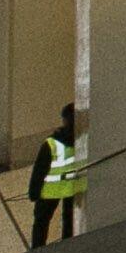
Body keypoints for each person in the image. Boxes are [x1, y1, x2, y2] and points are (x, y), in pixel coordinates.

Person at [27, 102, 89, 244]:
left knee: (41, 223)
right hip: (74, 188)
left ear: (65, 120)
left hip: (50, 190)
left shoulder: (52, 144)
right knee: (69, 222)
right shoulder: (85, 140)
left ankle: (38, 250)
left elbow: (39, 171)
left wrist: (33, 193)